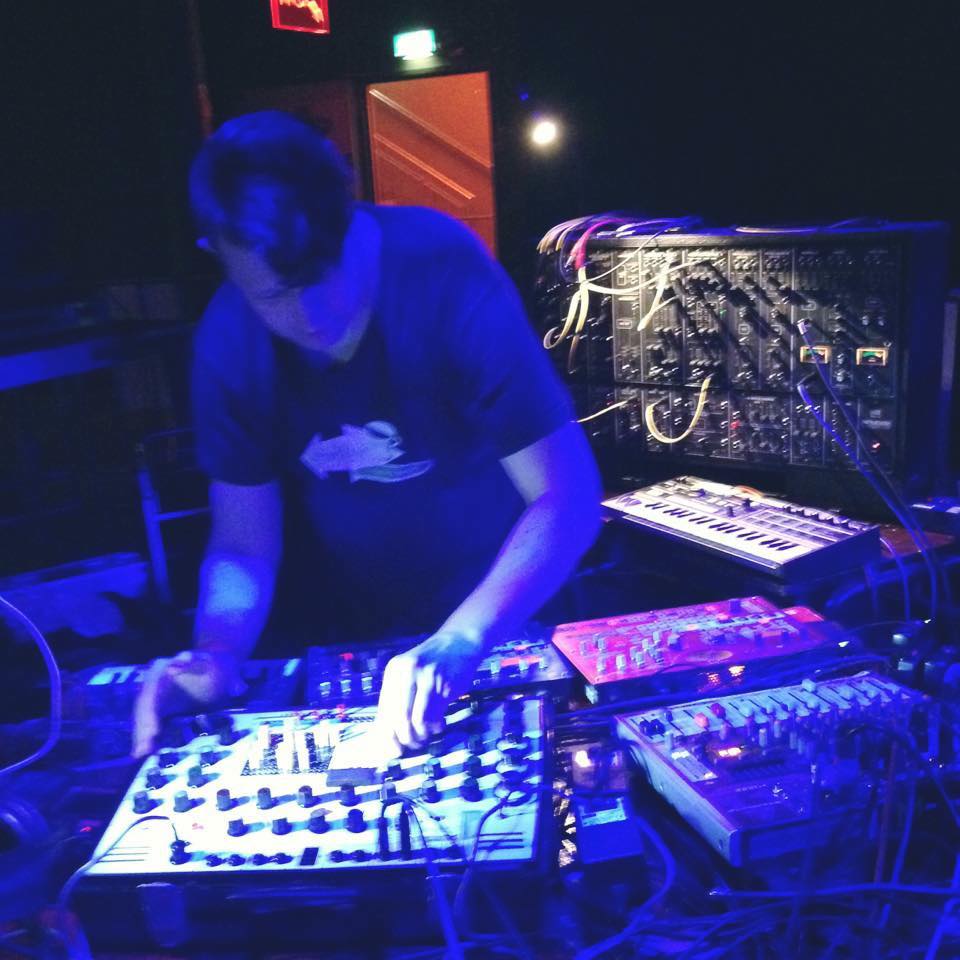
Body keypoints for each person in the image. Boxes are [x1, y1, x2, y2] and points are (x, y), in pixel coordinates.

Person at [132, 110, 601, 759]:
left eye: (324, 272)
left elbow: (567, 495)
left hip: (512, 614)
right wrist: (216, 652)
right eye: (274, 295)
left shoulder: (444, 271)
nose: (311, 316)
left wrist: (462, 638)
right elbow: (243, 545)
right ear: (219, 256)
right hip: (366, 630)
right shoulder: (228, 343)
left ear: (351, 212)